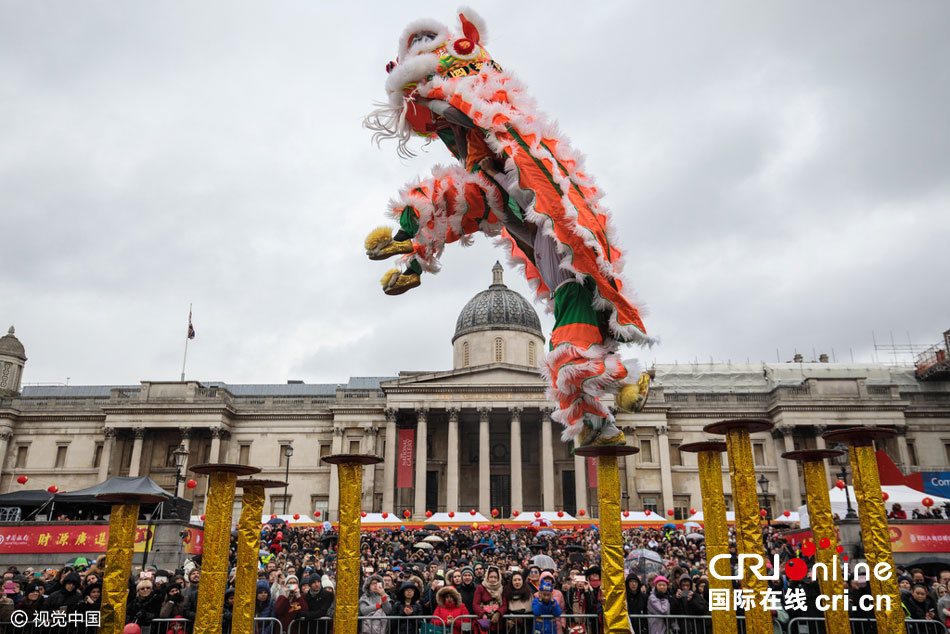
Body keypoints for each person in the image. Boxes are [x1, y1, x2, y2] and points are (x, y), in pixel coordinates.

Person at [473, 566, 505, 633]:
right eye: (491, 577)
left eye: (495, 577)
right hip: (483, 623)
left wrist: (498, 613)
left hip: (497, 624)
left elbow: (504, 605)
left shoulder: (501, 589)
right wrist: (482, 614)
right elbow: (475, 604)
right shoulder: (481, 588)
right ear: (487, 577)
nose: (493, 579)